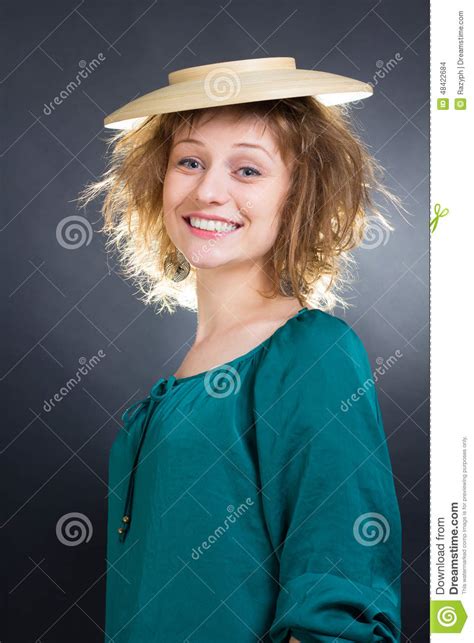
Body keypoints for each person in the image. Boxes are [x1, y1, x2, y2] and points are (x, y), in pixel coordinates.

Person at [81, 57, 403, 642]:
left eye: (248, 170)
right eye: (190, 161)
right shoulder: (174, 386)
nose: (208, 190)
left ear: (299, 195)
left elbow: (339, 597)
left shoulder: (311, 355)